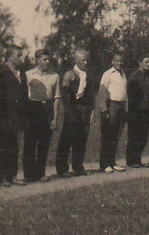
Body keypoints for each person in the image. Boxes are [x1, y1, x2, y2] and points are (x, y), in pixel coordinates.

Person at [55, 47, 95, 177]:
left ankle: (78, 166)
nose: (86, 62)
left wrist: (92, 111)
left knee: (81, 138)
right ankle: (62, 168)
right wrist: (69, 112)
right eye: (83, 60)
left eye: (87, 60)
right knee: (67, 138)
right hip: (73, 109)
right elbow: (65, 97)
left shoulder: (88, 75)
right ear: (76, 60)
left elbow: (91, 96)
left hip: (85, 110)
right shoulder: (69, 74)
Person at [0, 43, 27, 187]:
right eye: (18, 56)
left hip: (17, 116)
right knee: (3, 146)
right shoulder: (0, 72)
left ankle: (12, 175)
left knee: (14, 147)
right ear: (10, 57)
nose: (21, 58)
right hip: (5, 116)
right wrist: (1, 116)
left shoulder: (21, 73)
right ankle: (2, 177)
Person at [23, 48, 61, 182]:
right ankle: (29, 174)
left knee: (44, 142)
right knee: (30, 142)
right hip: (33, 108)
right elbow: (25, 96)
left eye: (48, 59)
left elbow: (56, 98)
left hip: (47, 108)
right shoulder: (28, 74)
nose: (47, 62)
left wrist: (55, 118)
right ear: (37, 60)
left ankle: (40, 172)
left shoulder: (54, 76)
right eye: (44, 59)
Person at [98, 53, 128, 172]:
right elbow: (102, 92)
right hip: (111, 105)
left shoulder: (123, 74)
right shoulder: (107, 74)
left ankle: (112, 162)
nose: (119, 63)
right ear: (112, 62)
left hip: (121, 105)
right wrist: (104, 109)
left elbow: (124, 92)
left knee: (116, 135)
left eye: (121, 61)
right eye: (117, 61)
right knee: (108, 135)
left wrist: (126, 109)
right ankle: (104, 164)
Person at [126, 55, 149, 168]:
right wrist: (134, 111)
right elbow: (132, 95)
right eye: (146, 62)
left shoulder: (147, 76)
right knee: (134, 136)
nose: (148, 64)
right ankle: (131, 161)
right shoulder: (135, 76)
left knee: (143, 136)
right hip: (136, 111)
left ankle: (137, 159)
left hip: (145, 110)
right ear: (140, 63)